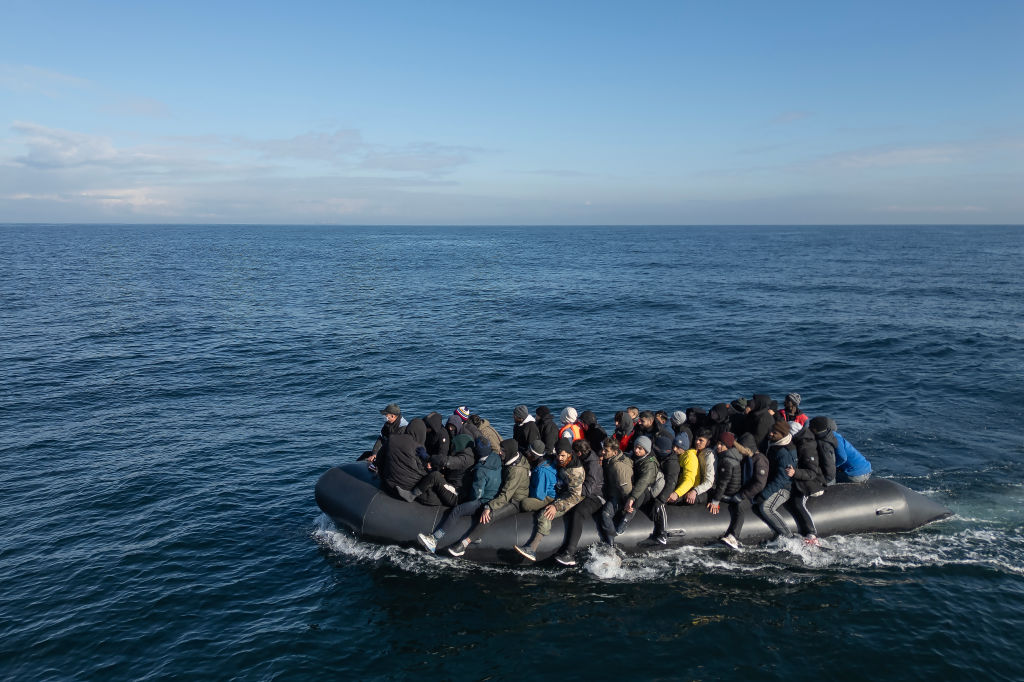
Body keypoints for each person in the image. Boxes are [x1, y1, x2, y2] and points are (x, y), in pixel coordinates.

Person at [446, 439, 538, 557]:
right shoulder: (513, 457)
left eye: (503, 451)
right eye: (500, 450)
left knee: (489, 515)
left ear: (509, 452)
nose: (500, 453)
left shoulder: (516, 471)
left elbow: (506, 495)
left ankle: (464, 544)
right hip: (504, 490)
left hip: (514, 500)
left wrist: (489, 506)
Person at [416, 438, 507, 553]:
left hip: (484, 501)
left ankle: (434, 539)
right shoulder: (496, 458)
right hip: (496, 495)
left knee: (457, 510)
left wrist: (467, 500)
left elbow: (477, 495)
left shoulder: (481, 471)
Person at [515, 439, 585, 561]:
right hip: (559, 492)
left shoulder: (575, 471)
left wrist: (556, 506)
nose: (560, 458)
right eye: (558, 454)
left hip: (569, 498)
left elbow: (575, 496)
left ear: (569, 453)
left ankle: (532, 548)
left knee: (545, 514)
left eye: (563, 455)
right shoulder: (558, 460)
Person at [553, 439, 605, 566]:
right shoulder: (583, 458)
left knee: (578, 513)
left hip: (595, 497)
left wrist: (571, 486)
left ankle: (570, 553)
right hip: (581, 492)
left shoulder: (592, 464)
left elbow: (588, 489)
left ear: (579, 453)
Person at [755, 421, 798, 541]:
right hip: (770, 483)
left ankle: (788, 536)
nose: (770, 434)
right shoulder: (773, 444)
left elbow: (782, 478)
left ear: (783, 434)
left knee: (766, 507)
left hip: (784, 488)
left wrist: (764, 495)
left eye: (774, 433)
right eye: (770, 431)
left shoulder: (784, 453)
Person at [611, 435, 660, 536]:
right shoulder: (635, 456)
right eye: (635, 447)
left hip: (649, 489)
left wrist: (632, 498)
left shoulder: (650, 464)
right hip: (635, 485)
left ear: (646, 450)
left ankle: (627, 517)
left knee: (640, 494)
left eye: (640, 448)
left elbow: (643, 482)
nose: (636, 450)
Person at [787, 422, 825, 545]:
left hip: (811, 483)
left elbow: (811, 472)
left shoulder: (807, 447)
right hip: (800, 479)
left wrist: (795, 473)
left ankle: (812, 533)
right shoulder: (801, 443)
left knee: (798, 503)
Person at [376, 418, 428, 501]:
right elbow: (423, 470)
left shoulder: (392, 439)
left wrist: (382, 476)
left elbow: (379, 458)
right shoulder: (418, 447)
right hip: (409, 488)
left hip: (388, 484)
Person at [707, 432, 744, 548]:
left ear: (727, 446)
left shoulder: (726, 461)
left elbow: (723, 483)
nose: (718, 446)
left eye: (721, 444)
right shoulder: (731, 455)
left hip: (728, 494)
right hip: (733, 491)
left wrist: (715, 501)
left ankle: (733, 537)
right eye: (718, 443)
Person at [809, 417, 872, 483]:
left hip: (855, 475)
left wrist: (833, 466)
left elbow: (843, 457)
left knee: (823, 476)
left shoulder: (831, 439)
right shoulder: (833, 435)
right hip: (865, 469)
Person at [598, 437, 634, 546]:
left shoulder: (618, 467)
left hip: (618, 497)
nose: (603, 452)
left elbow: (626, 490)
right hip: (612, 491)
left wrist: (625, 507)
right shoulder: (611, 460)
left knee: (605, 514)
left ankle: (611, 543)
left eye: (606, 451)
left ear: (614, 452)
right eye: (603, 449)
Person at [646, 433, 680, 545]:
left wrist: (661, 500)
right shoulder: (658, 457)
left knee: (660, 506)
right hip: (658, 485)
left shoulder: (672, 463)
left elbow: (671, 483)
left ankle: (662, 533)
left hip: (671, 490)